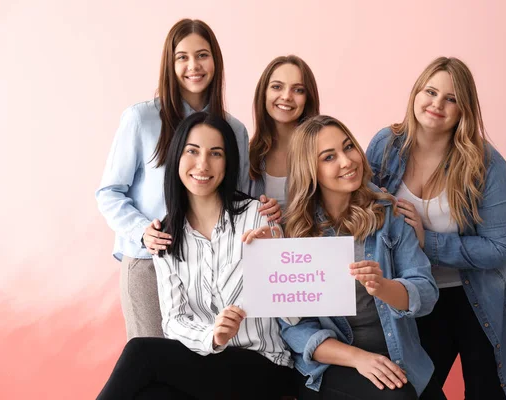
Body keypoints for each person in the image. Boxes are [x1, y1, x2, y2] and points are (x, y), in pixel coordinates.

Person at [366, 57, 506, 399]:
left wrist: (426, 241)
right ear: (416, 93)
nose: (437, 104)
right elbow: (359, 206)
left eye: (451, 99)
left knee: (487, 392)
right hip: (415, 295)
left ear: (464, 110)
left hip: (476, 296)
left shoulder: (486, 163)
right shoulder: (386, 144)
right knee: (411, 391)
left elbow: (502, 247)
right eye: (430, 91)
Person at [96, 19, 277, 339]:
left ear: (215, 62)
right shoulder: (141, 119)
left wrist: (265, 209)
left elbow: (238, 197)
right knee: (151, 369)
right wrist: (142, 232)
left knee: (199, 375)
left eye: (202, 55)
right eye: (183, 57)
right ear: (170, 63)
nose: (193, 65)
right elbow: (109, 192)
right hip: (151, 264)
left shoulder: (234, 130)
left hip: (213, 270)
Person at [97, 112, 295, 399]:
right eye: (192, 151)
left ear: (227, 163)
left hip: (265, 363)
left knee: (141, 351)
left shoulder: (258, 218)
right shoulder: (166, 235)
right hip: (207, 361)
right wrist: (213, 336)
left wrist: (277, 252)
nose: (203, 164)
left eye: (216, 154)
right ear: (177, 156)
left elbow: (294, 311)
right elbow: (173, 320)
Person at [279, 115, 444, 399]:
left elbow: (426, 292)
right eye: (329, 157)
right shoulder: (294, 233)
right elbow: (295, 330)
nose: (347, 161)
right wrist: (358, 358)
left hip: (399, 356)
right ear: (310, 170)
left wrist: (384, 287)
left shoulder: (388, 214)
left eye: (348, 147)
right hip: (333, 365)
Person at [248, 55, 320, 209]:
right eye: (277, 87)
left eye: (298, 90)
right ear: (264, 93)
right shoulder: (245, 155)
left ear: (308, 98)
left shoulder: (322, 152)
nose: (287, 96)